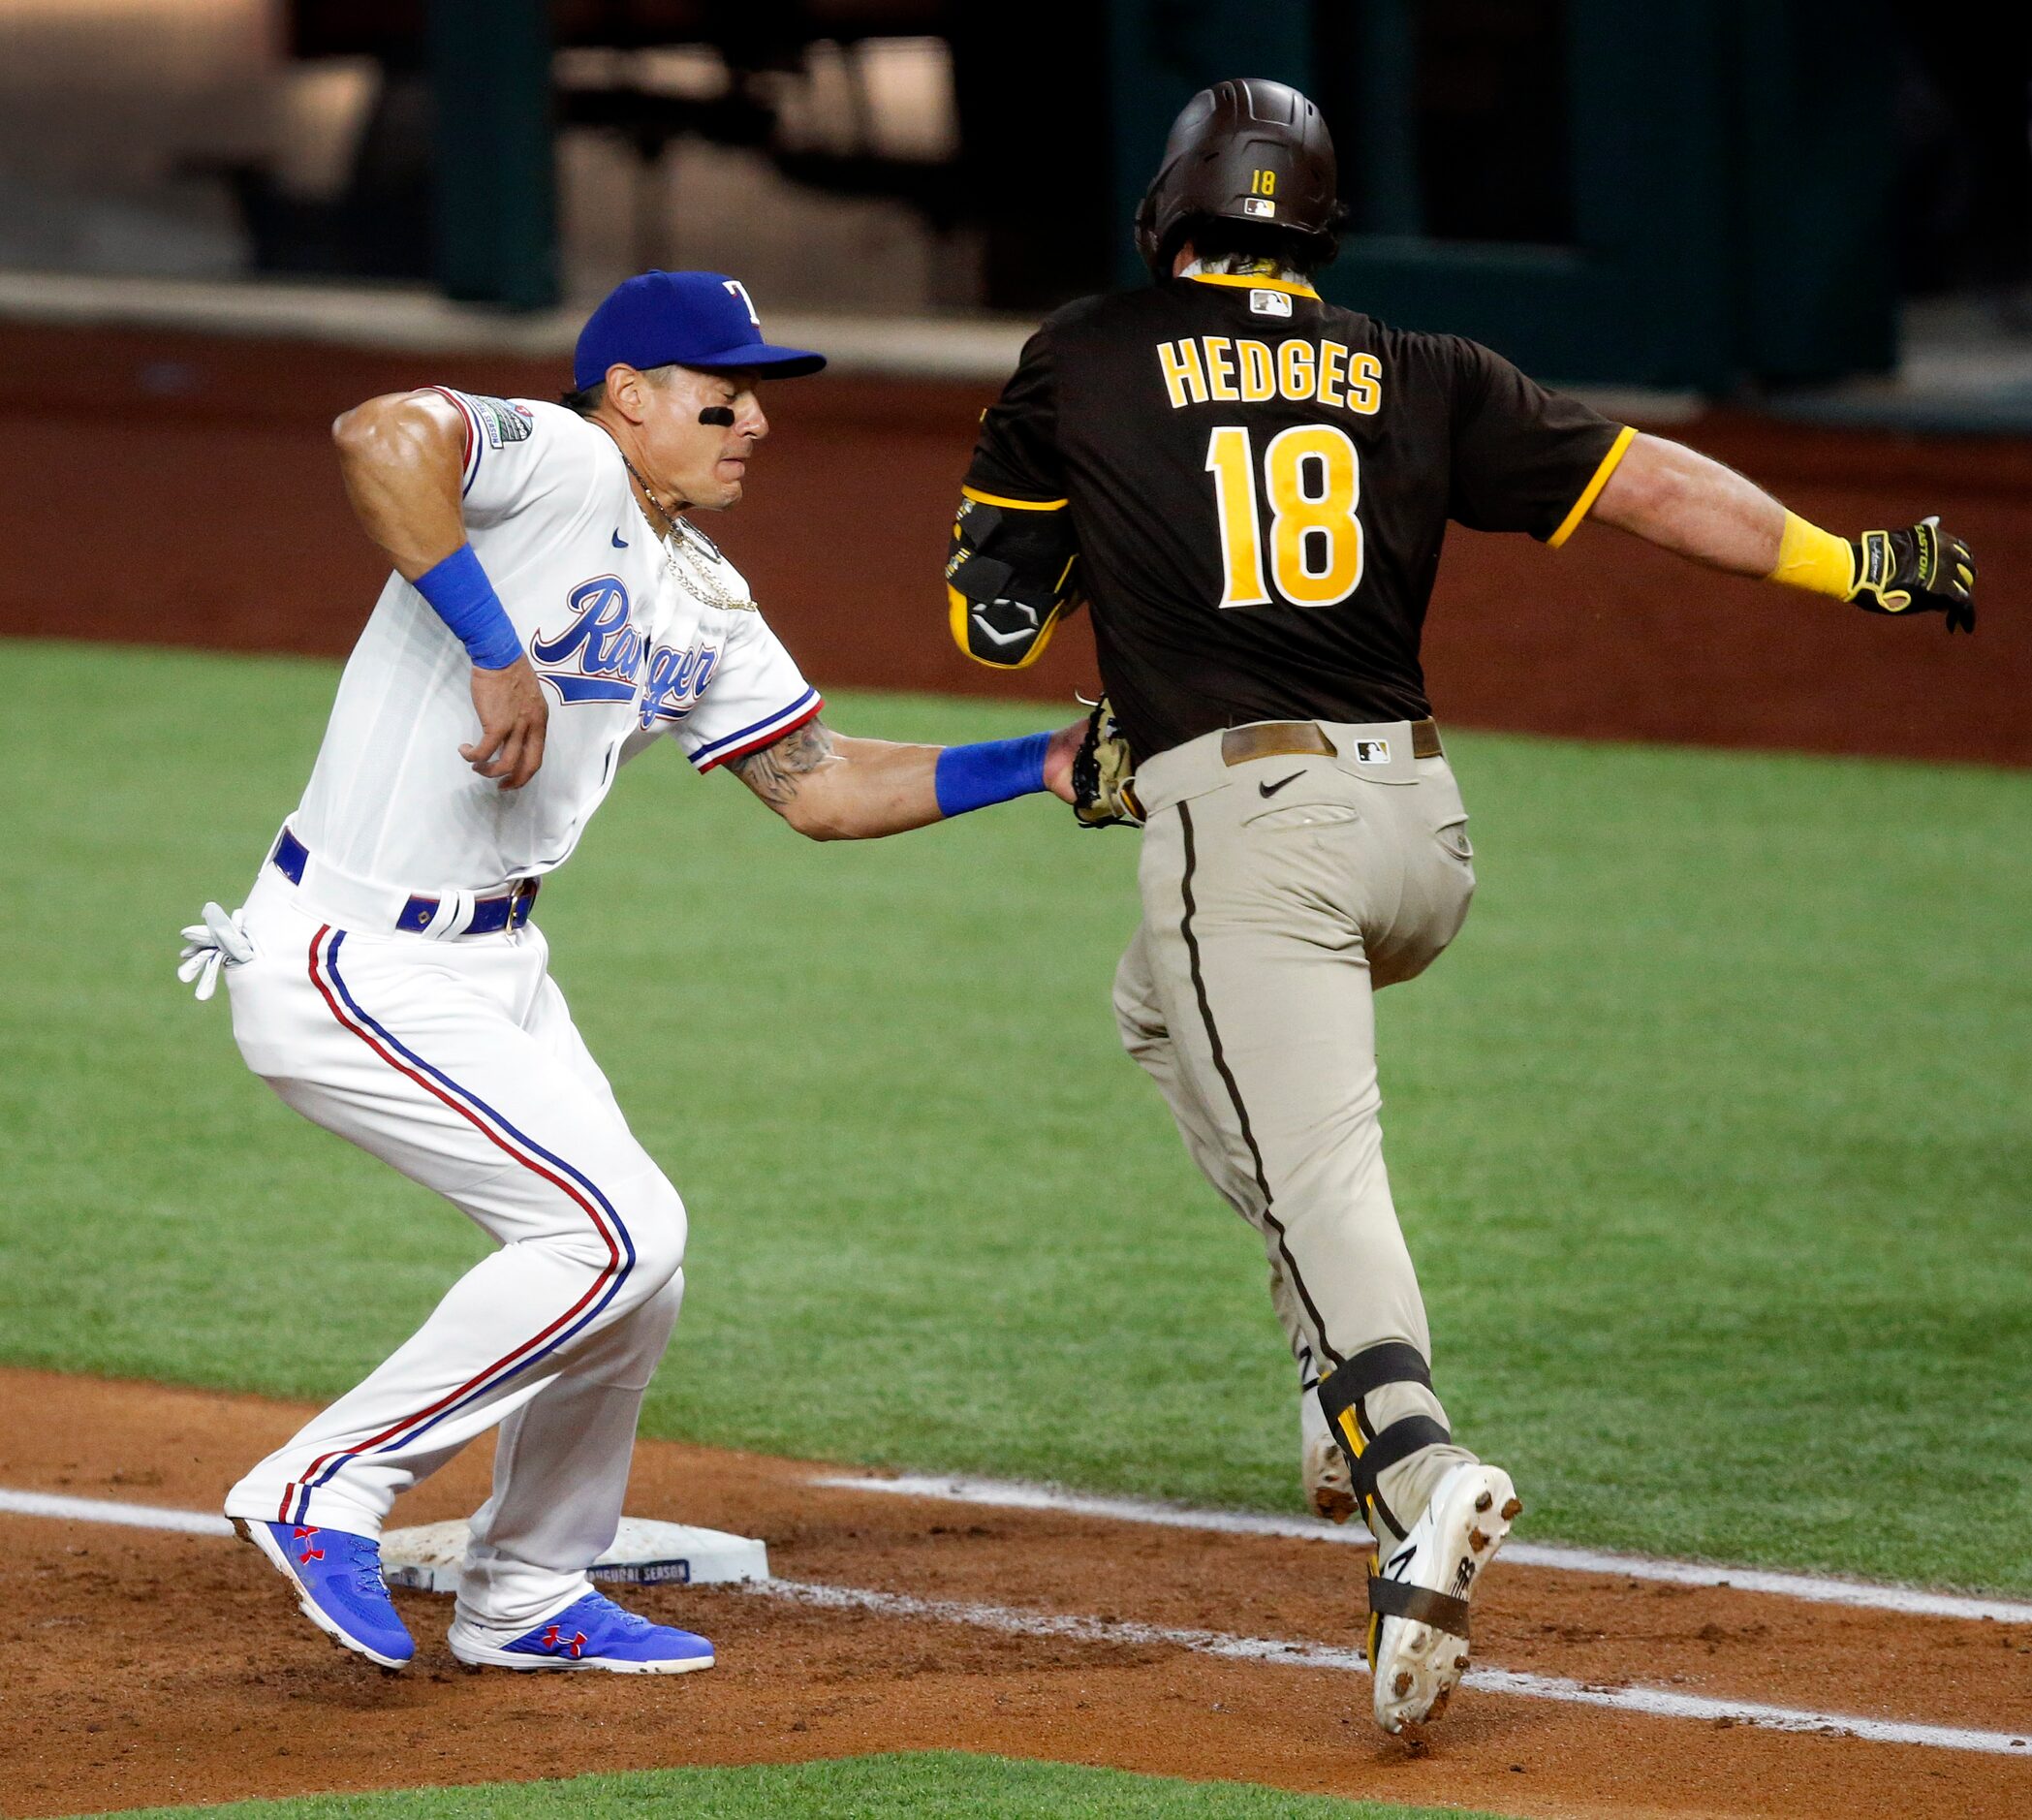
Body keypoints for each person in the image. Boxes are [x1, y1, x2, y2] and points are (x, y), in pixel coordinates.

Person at [942, 79, 1977, 1737]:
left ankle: (1412, 1478)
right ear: (1319, 225)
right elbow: (1651, 486)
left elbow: (994, 624)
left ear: (1171, 212)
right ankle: (1329, 1378)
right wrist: (1851, 566)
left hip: (1252, 835)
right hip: (1421, 840)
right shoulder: (1420, 367)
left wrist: (1080, 588)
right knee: (1159, 1011)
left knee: (1316, 1163)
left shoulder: (1085, 349)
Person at [179, 269, 1081, 1676]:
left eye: (757, 399)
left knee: (636, 1271)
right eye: (722, 396)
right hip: (349, 952)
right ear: (630, 396)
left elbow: (820, 784)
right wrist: (494, 648)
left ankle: (526, 1588)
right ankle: (322, 1483)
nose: (752, 425)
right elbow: (377, 435)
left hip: (494, 961)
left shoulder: (702, 591)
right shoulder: (560, 461)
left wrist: (1034, 763)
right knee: (611, 1232)